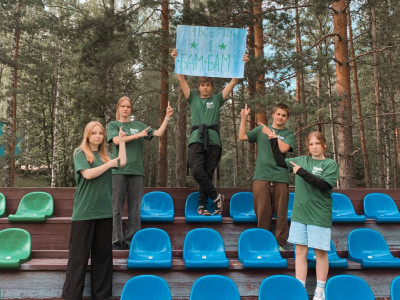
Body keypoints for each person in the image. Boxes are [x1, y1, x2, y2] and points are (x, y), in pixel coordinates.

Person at [171, 48, 248, 215]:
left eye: (208, 85)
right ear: (198, 87)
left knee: (207, 174)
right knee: (197, 171)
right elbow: (181, 79)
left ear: (211, 87)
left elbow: (234, 81)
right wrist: (176, 59)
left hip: (213, 141)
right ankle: (216, 197)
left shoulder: (217, 99)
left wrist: (242, 62)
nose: (205, 88)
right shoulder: (193, 98)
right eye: (202, 85)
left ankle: (201, 206)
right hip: (196, 139)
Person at [62, 121, 126, 300]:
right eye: (94, 133)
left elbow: (121, 162)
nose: (98, 136)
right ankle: (72, 296)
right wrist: (109, 164)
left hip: (105, 213)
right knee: (78, 259)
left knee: (103, 258)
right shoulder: (80, 153)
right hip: (84, 213)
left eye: (100, 133)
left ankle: (102, 296)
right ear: (88, 135)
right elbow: (88, 174)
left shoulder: (105, 155)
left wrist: (121, 143)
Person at [271, 131, 339, 300]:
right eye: (311, 144)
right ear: (308, 147)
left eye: (317, 143)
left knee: (320, 253)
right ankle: (300, 287)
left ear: (324, 145)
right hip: (300, 214)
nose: (314, 147)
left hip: (319, 215)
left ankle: (320, 290)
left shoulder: (330, 164)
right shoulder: (301, 160)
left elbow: (322, 184)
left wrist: (301, 172)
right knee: (300, 251)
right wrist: (273, 140)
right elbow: (279, 161)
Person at [107, 96, 174, 250]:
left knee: (135, 210)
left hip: (137, 171)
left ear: (131, 109)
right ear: (118, 108)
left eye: (128, 106)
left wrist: (167, 118)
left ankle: (131, 242)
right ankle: (116, 242)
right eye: (123, 106)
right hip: (118, 171)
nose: (125, 109)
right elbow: (117, 141)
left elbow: (157, 133)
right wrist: (138, 136)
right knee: (116, 208)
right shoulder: (113, 125)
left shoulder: (138, 125)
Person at [238, 103, 294, 249]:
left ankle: (280, 243)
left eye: (284, 115)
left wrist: (272, 136)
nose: (280, 117)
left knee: (281, 213)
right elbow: (242, 136)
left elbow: (283, 148)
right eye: (278, 114)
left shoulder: (288, 134)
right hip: (261, 176)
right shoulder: (261, 129)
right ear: (273, 115)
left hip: (280, 176)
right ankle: (264, 242)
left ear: (286, 118)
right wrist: (243, 118)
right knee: (262, 212)